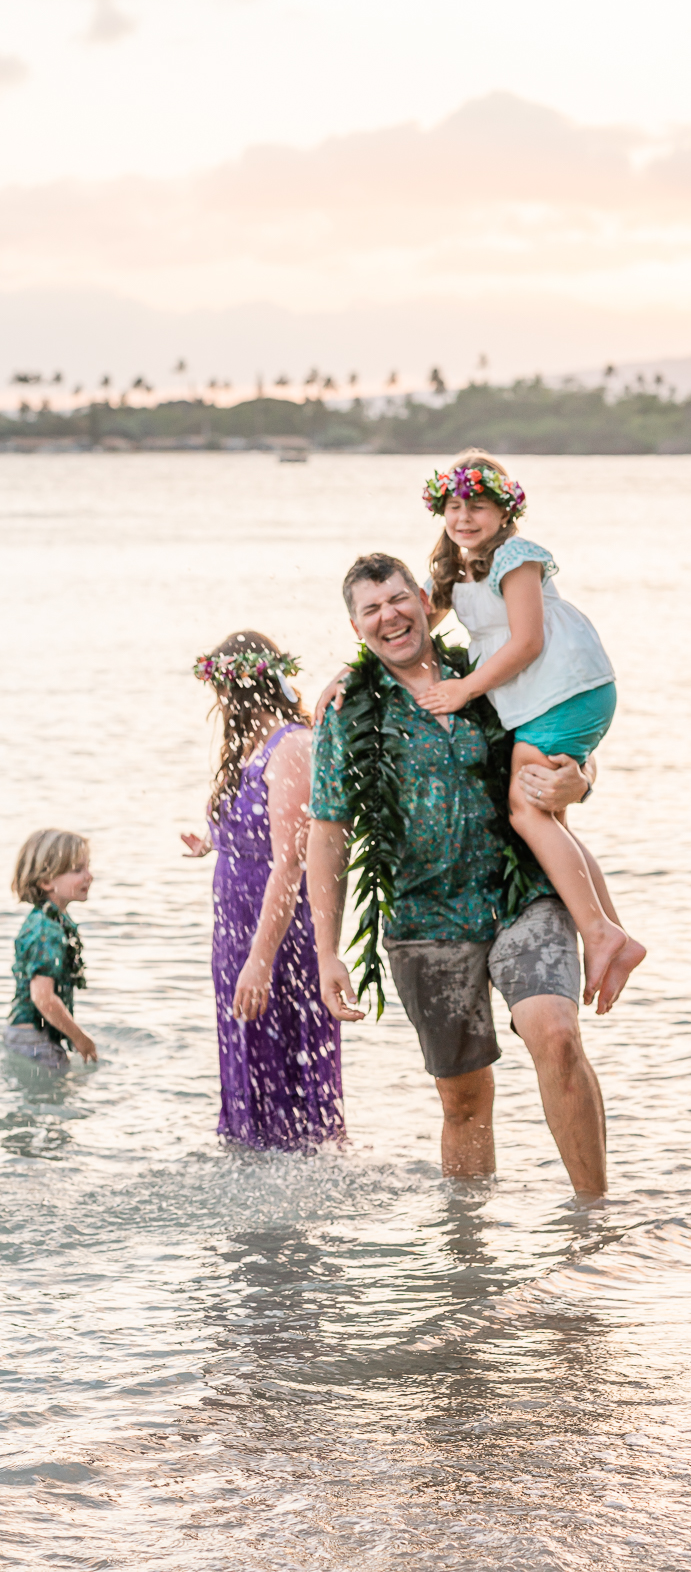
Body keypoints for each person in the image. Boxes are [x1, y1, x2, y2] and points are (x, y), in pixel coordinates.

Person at [307, 553, 611, 1197]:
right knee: (464, 1099)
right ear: (357, 627)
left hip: (520, 897)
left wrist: (578, 781)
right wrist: (326, 951)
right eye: (372, 609)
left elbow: (563, 747)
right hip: (425, 922)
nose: (390, 616)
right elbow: (328, 833)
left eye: (398, 599)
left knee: (555, 1036)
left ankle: (596, 1224)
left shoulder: (487, 675)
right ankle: (469, 1271)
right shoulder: (349, 712)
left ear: (423, 598)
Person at [418, 450, 644, 1007]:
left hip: (569, 688)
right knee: (546, 821)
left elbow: (527, 642)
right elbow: (409, 628)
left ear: (504, 511)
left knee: (524, 807)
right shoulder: (450, 567)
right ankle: (617, 937)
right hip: (538, 698)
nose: (465, 517)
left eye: (478, 505)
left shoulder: (516, 557)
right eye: (454, 505)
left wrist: (464, 689)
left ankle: (599, 933)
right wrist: (349, 676)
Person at [182, 631, 344, 1151]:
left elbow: (291, 862)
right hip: (234, 924)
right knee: (246, 1043)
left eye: (222, 694)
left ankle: (296, 1161)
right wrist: (214, 840)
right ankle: (252, 1155)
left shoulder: (292, 745)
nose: (221, 706)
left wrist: (260, 958)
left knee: (280, 1044)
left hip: (271, 929)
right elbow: (263, 828)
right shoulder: (253, 747)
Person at [6, 829, 97, 1072]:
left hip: (27, 1036)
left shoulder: (51, 919)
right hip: (34, 1041)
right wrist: (80, 1037)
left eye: (88, 867)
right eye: (78, 870)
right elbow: (43, 998)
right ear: (46, 881)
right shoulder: (47, 930)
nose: (90, 876)